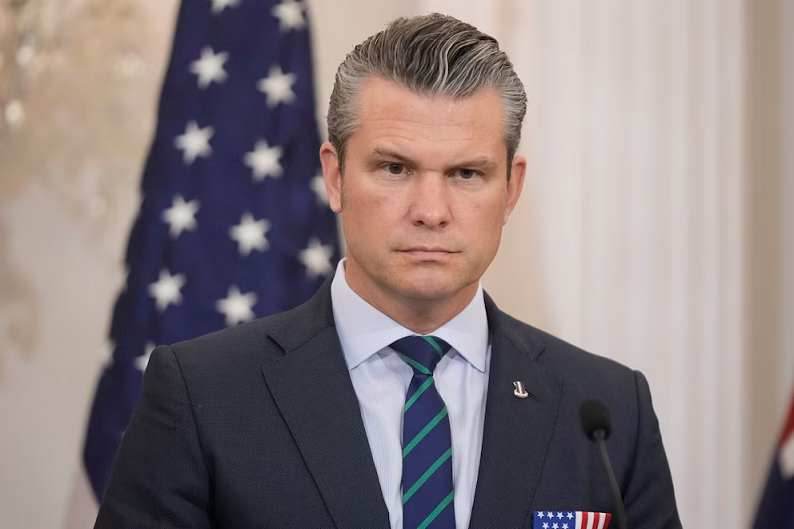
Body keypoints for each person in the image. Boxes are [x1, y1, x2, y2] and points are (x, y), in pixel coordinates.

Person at [96, 13, 680, 529]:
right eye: (395, 168)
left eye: (467, 174)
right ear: (335, 177)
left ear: (511, 188)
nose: (431, 211)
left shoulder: (608, 410)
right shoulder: (202, 396)